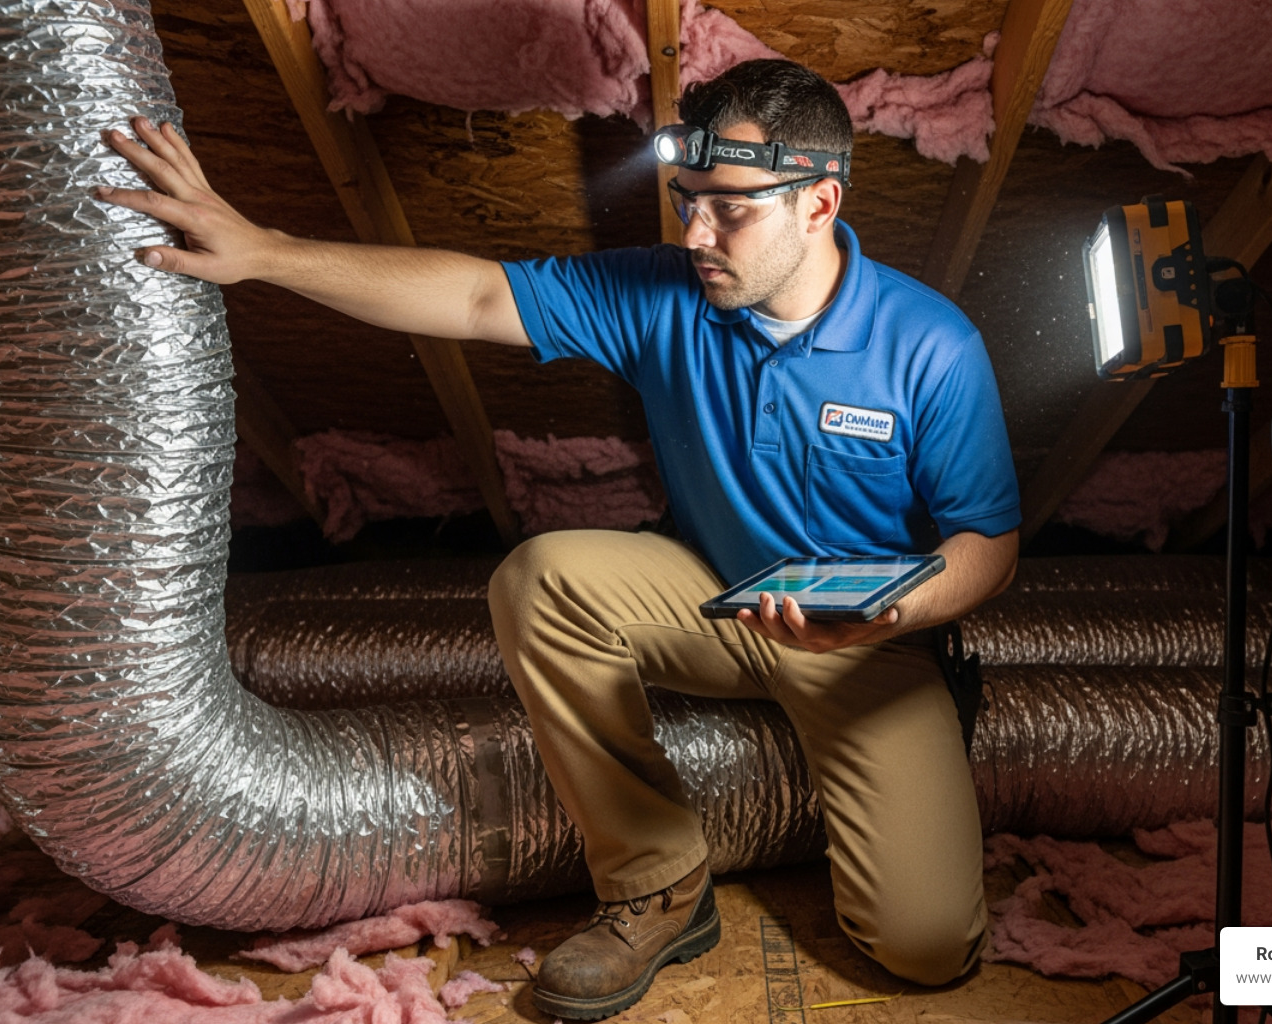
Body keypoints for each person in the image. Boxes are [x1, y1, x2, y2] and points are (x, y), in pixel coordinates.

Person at [98, 58, 1021, 1020]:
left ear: (819, 203)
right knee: (541, 578)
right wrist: (265, 252)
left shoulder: (931, 345)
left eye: (730, 209)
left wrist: (886, 617)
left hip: (869, 643)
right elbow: (473, 299)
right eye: (688, 201)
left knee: (925, 948)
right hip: (718, 600)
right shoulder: (667, 293)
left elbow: (988, 544)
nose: (695, 234)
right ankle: (659, 886)